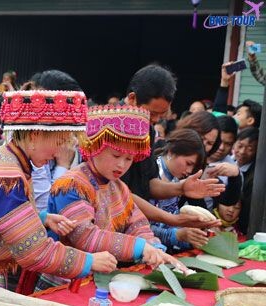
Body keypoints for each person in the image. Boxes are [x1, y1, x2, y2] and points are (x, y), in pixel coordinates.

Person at [0, 89, 118, 289]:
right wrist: (89, 261)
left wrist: (41, 218)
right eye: (59, 141)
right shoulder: (7, 177)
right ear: (34, 135)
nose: (60, 151)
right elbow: (34, 251)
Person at [43, 105, 184, 291]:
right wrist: (141, 247)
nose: (121, 164)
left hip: (101, 280)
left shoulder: (119, 186)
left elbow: (136, 223)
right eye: (116, 155)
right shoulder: (71, 183)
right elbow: (85, 237)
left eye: (129, 159)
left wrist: (154, 248)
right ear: (95, 147)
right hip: (65, 281)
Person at [121, 64, 223, 230]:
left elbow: (149, 183)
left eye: (161, 115)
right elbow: (118, 193)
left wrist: (182, 187)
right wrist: (173, 220)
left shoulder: (147, 129)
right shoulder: (108, 127)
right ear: (132, 98)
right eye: (152, 113)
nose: (155, 120)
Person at [150, 129, 209, 251]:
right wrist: (177, 235)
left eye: (193, 167)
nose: (189, 171)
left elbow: (170, 222)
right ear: (172, 151)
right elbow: (141, 226)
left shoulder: (176, 179)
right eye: (188, 163)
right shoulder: (152, 172)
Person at [234, 127, 259, 234]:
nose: (242, 152)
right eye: (240, 146)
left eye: (250, 149)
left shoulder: (254, 177)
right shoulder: (227, 162)